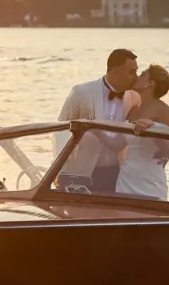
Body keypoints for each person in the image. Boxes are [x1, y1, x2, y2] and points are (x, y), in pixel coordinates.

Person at [57, 49, 138, 194]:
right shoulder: (81, 92)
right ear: (116, 73)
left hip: (115, 172)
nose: (136, 77)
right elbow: (60, 131)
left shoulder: (133, 98)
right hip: (81, 172)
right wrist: (60, 171)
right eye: (131, 72)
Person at [115, 65, 169, 200]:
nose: (137, 77)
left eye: (142, 74)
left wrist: (154, 126)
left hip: (150, 182)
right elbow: (117, 144)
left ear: (150, 83)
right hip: (125, 180)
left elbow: (168, 147)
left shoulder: (162, 109)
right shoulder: (132, 108)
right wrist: (92, 128)